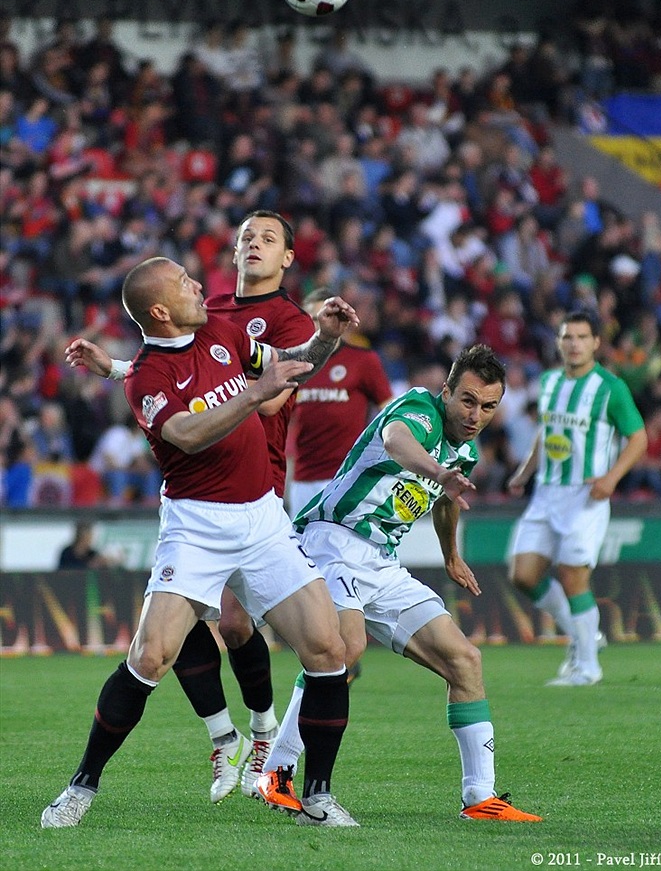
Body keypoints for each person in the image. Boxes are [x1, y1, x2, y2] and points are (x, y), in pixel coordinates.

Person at [41, 256, 360, 829]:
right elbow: (187, 435)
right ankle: (80, 788)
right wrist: (252, 395)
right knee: (149, 657)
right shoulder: (145, 377)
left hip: (261, 518)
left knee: (327, 650)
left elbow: (288, 366)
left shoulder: (219, 330)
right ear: (159, 310)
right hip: (196, 526)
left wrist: (325, 341)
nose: (198, 285)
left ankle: (316, 797)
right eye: (186, 283)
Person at [255, 344, 542, 823]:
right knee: (343, 650)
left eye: (488, 407)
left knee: (465, 660)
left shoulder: (466, 450)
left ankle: (481, 798)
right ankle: (278, 773)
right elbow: (395, 440)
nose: (476, 415)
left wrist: (452, 555)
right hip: (333, 540)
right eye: (467, 401)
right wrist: (435, 471)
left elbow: (447, 500)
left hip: (382, 564)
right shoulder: (420, 410)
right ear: (446, 391)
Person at [506, 311, 647, 686]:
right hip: (546, 492)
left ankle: (587, 667)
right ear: (559, 342)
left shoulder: (609, 388)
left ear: (596, 343)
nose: (574, 344)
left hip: (586, 495)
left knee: (571, 575)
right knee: (523, 575)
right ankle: (585, 636)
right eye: (568, 337)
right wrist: (524, 471)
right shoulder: (550, 382)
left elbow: (638, 438)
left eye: (582, 337)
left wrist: (612, 478)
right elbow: (545, 432)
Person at [287, 287, 394, 519]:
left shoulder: (363, 360)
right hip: (303, 479)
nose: (318, 325)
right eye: (312, 320)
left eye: (324, 318)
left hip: (348, 476)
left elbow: (390, 409)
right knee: (302, 550)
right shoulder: (295, 365)